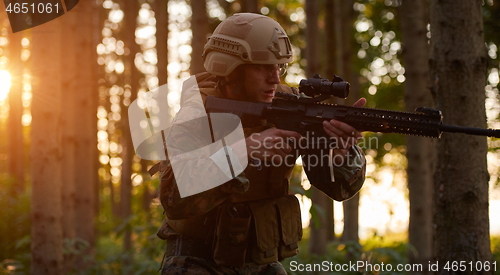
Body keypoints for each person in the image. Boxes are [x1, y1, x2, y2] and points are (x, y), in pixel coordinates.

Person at [157, 13, 366, 275]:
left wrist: (340, 154)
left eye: (279, 67)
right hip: (196, 260)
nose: (275, 78)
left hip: (261, 261)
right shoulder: (198, 113)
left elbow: (339, 189)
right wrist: (243, 150)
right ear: (232, 69)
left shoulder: (289, 106)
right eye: (262, 67)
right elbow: (173, 198)